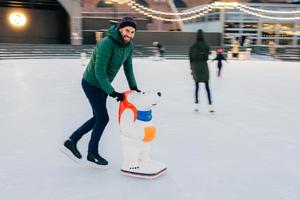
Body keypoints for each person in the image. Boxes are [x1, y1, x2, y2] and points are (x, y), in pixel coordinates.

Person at [61, 17, 140, 168]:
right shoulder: (106, 44)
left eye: (132, 32)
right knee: (102, 118)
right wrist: (112, 92)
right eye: (127, 30)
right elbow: (99, 72)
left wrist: (134, 88)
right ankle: (92, 153)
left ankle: (71, 141)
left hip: (103, 85)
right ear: (120, 29)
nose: (129, 34)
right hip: (91, 83)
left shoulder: (129, 46)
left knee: (98, 117)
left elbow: (128, 68)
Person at [189, 29, 214, 113]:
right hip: (204, 66)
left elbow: (190, 59)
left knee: (196, 86)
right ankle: (210, 106)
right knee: (207, 87)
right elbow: (208, 56)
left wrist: (191, 69)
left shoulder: (193, 46)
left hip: (195, 67)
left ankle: (196, 105)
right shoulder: (206, 46)